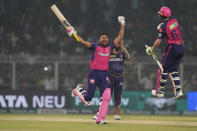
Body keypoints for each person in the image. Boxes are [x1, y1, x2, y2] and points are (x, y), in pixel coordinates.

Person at [69, 16, 126, 124]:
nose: (105, 39)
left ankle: (101, 118)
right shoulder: (94, 46)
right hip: (94, 74)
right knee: (88, 100)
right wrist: (74, 34)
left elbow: (120, 37)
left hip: (104, 74)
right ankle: (79, 91)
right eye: (102, 38)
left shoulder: (110, 47)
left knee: (106, 96)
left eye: (106, 38)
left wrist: (122, 24)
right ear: (99, 39)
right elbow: (83, 42)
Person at [146, 7, 184, 99]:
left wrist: (152, 48)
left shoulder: (163, 26)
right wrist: (163, 26)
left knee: (163, 69)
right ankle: (178, 91)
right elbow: (171, 28)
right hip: (181, 47)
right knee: (173, 70)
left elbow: (159, 41)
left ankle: (160, 91)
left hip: (172, 48)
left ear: (163, 15)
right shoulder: (175, 21)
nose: (159, 15)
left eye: (160, 14)